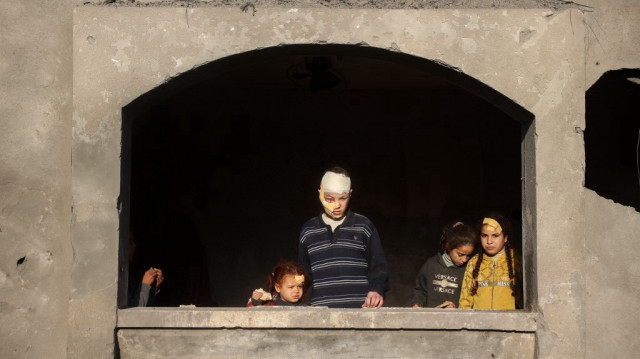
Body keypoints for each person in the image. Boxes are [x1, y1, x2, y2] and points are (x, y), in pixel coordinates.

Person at [298, 166, 390, 308]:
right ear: (319, 194)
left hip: (359, 314)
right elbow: (302, 277)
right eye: (329, 198)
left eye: (342, 198)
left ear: (350, 194)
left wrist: (377, 290)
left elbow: (378, 266)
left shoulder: (364, 226)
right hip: (321, 317)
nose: (337, 204)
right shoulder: (308, 231)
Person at [458, 213, 522, 309]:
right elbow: (465, 300)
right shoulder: (474, 262)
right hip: (479, 322)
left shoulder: (516, 260)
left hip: (509, 322)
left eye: (495, 236)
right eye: (484, 236)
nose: (489, 241)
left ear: (505, 238)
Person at [411, 221, 477, 308]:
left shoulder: (467, 270)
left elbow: (470, 299)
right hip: (431, 318)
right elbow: (420, 290)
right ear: (449, 247)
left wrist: (456, 307)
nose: (464, 259)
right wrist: (417, 303)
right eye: (460, 255)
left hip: (456, 319)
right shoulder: (431, 265)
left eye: (468, 256)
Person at [127, 232, 164, 307]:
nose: (134, 245)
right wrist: (145, 284)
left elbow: (145, 308)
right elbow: (134, 312)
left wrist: (153, 288)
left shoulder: (129, 277)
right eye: (130, 242)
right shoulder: (117, 279)